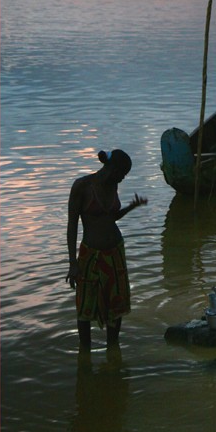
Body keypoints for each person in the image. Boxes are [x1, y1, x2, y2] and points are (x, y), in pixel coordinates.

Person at [66, 149, 148, 350]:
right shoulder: (82, 186)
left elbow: (108, 218)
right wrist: (73, 263)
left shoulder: (113, 185)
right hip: (91, 253)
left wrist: (130, 207)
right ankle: (85, 350)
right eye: (122, 173)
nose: (123, 178)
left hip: (115, 252)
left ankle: (113, 350)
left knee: (116, 304)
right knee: (85, 307)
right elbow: (72, 225)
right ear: (112, 168)